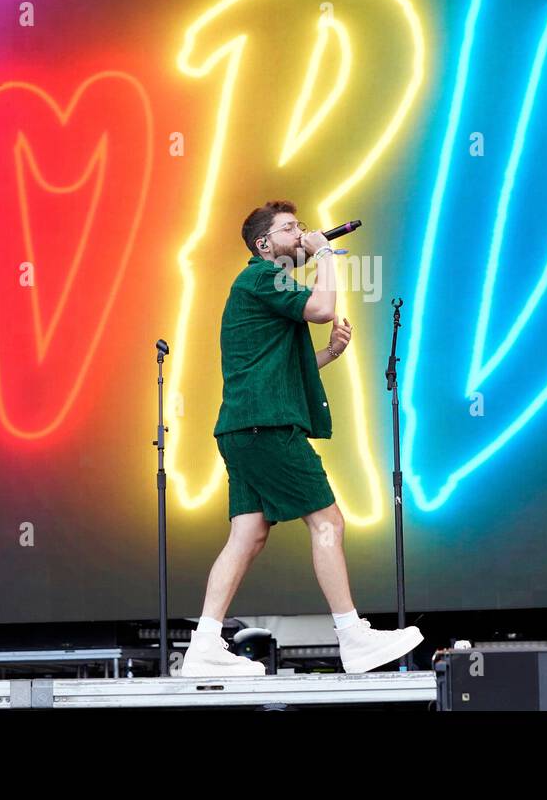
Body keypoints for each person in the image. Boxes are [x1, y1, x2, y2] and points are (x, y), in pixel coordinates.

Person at [179, 200, 423, 676]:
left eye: (303, 228)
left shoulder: (263, 286)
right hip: (265, 427)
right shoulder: (262, 276)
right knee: (328, 521)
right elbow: (322, 306)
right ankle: (353, 637)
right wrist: (326, 257)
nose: (303, 234)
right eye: (291, 229)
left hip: (244, 428)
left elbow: (279, 369)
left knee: (247, 534)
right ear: (264, 244)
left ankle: (204, 644)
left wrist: (330, 352)